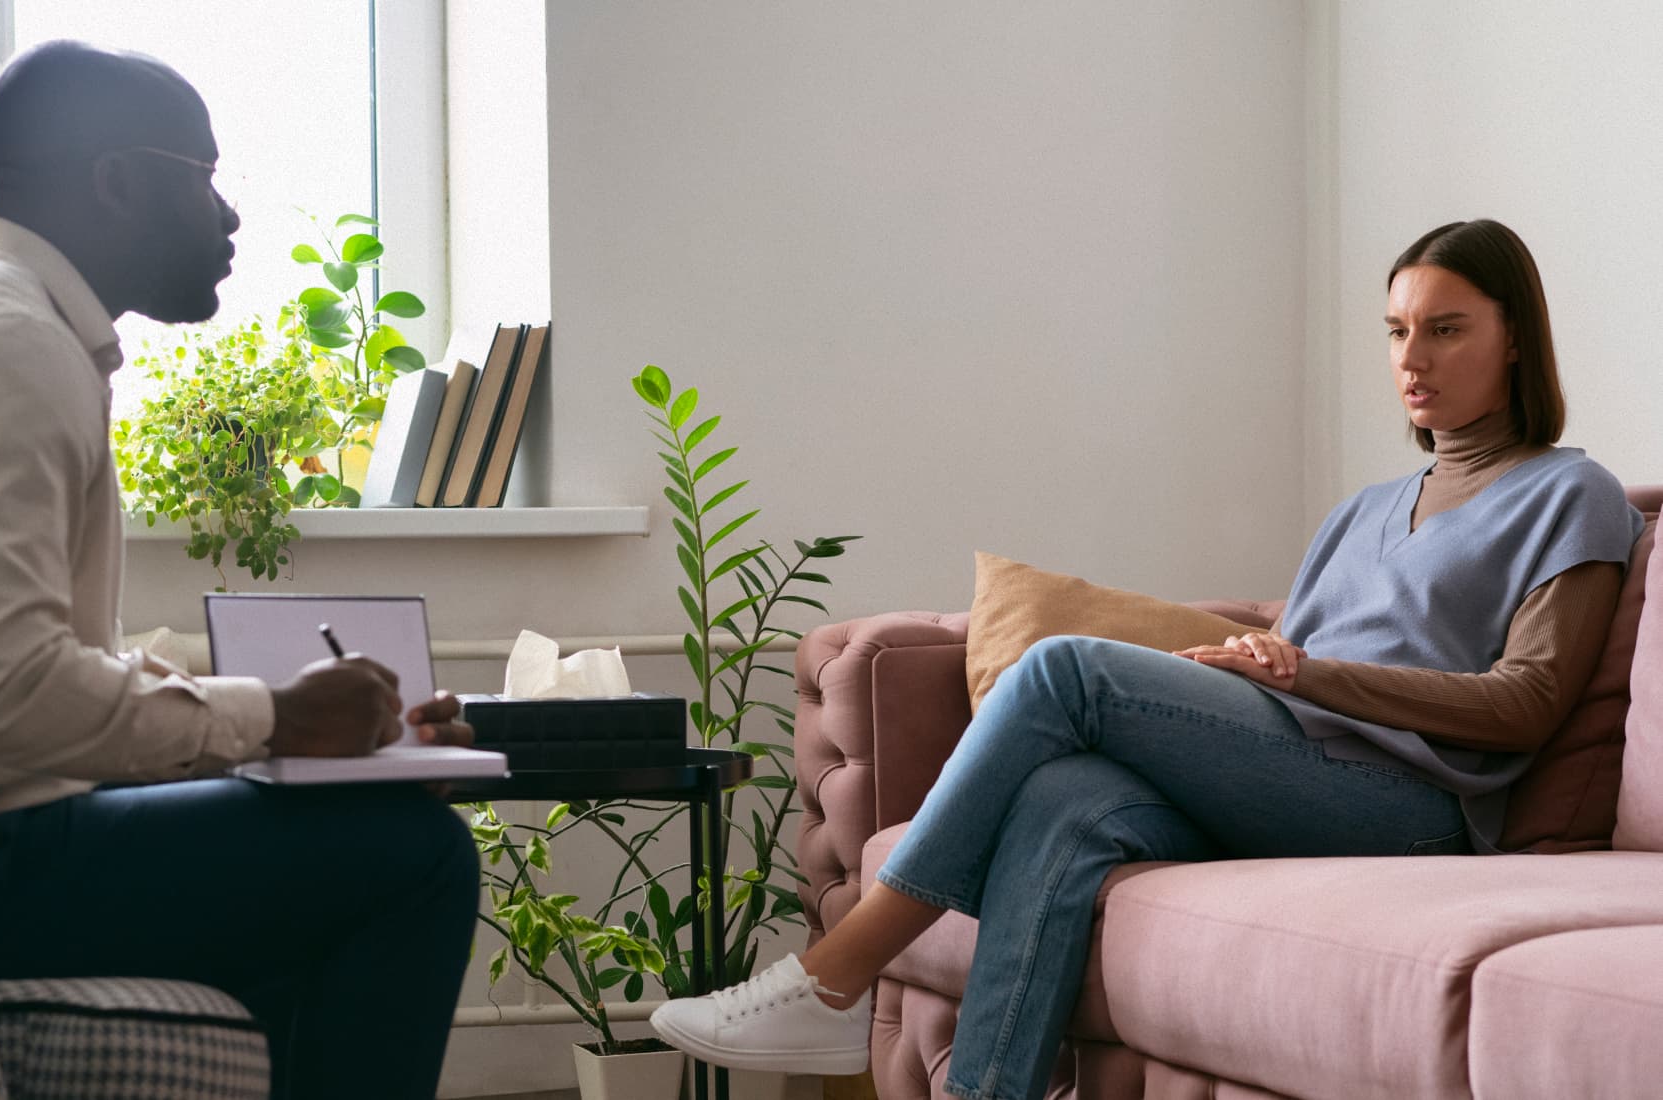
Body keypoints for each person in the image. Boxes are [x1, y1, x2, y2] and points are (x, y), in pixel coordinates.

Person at [650, 219, 1645, 1099]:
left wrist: (1307, 675)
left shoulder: (1570, 493)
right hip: (1291, 762)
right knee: (1066, 797)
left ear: (1513, 336)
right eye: (1395, 331)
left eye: (1444, 327)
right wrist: (1247, 680)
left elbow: (1524, 703)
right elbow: (1289, 668)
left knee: (1063, 670)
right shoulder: (1362, 510)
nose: (1410, 357)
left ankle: (834, 973)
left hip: (1410, 804)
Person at [0, 40, 476, 1099]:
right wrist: (274, 720)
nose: (231, 216)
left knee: (351, 839)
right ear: (114, 180)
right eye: (204, 177)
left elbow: (14, 688)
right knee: (413, 857)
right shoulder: (5, 348)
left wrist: (312, 741)